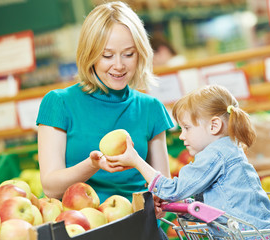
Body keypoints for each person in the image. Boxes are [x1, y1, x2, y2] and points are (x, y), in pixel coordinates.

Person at [36, 2, 173, 238]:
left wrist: (162, 202)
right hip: (85, 231)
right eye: (107, 55)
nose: (119, 65)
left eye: (128, 54)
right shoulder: (59, 103)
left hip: (142, 231)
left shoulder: (151, 108)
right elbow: (50, 185)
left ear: (140, 52)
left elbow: (164, 186)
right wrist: (92, 164)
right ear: (89, 55)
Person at [106, 84, 270, 238]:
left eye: (186, 128)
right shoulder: (229, 149)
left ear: (214, 126)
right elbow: (213, 210)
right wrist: (175, 206)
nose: (181, 136)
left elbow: (173, 190)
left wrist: (136, 160)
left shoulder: (216, 154)